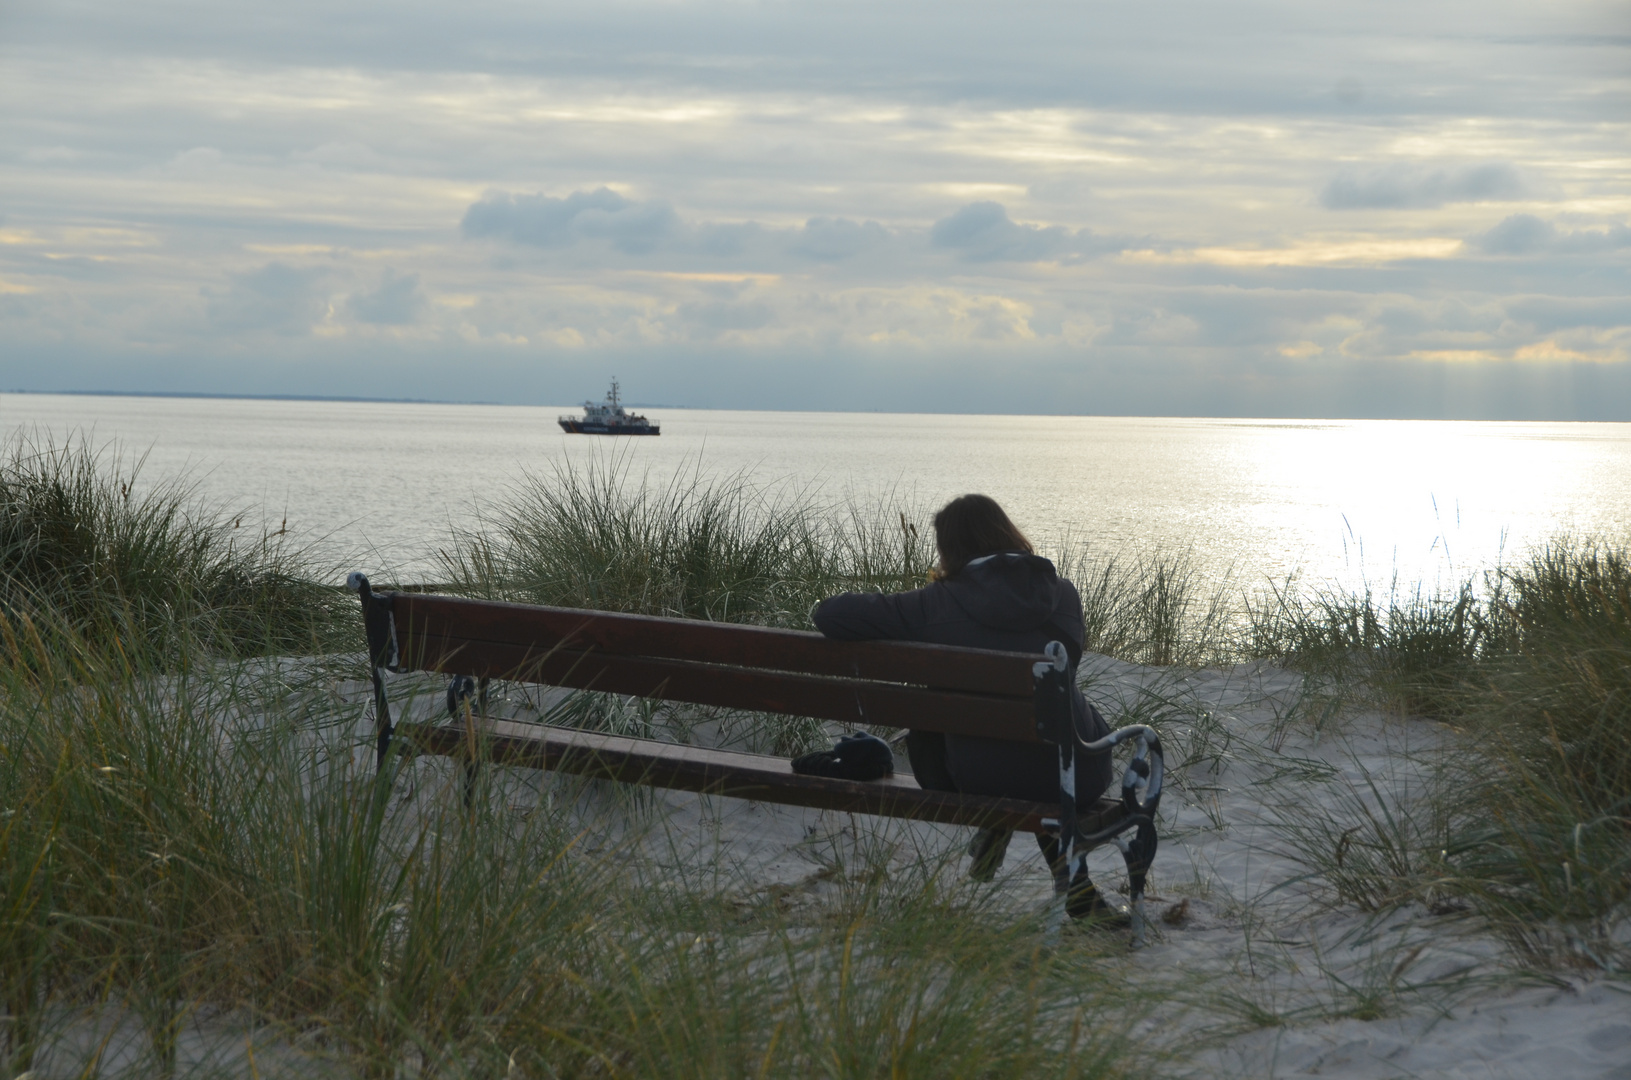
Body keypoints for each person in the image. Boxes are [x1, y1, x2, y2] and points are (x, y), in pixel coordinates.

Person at [812, 494, 1121, 918]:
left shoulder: (930, 604)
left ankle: (1000, 823)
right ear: (1008, 534)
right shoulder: (1062, 596)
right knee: (1044, 744)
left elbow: (829, 616)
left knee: (977, 746)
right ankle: (1077, 889)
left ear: (950, 549)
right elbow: (1066, 672)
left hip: (978, 778)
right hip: (1076, 776)